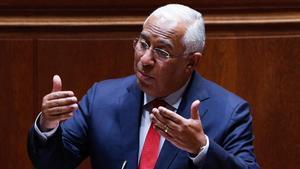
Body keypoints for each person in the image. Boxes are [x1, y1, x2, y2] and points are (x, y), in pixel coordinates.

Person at [28, 4, 260, 169]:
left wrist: (201, 149)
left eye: (162, 51)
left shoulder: (229, 112)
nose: (145, 60)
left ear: (191, 61)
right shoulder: (102, 98)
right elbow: (52, 163)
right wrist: (48, 124)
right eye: (143, 43)